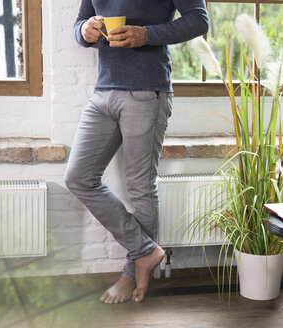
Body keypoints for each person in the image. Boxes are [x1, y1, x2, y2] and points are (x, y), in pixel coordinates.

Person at [64, 1, 209, 304]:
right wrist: (85, 30)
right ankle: (147, 251)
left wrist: (146, 34)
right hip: (104, 92)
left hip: (146, 91)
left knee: (140, 187)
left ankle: (133, 275)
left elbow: (198, 21)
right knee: (79, 178)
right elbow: (80, 24)